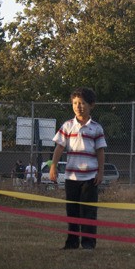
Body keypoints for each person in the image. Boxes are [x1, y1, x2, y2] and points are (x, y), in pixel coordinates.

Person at [50, 87, 106, 250]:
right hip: (71, 178)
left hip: (90, 178)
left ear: (91, 105)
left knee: (88, 212)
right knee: (72, 212)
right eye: (75, 103)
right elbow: (59, 148)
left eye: (82, 103)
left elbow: (100, 151)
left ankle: (88, 243)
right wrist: (53, 166)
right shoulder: (67, 126)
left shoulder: (96, 128)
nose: (78, 106)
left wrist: (100, 172)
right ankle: (72, 242)